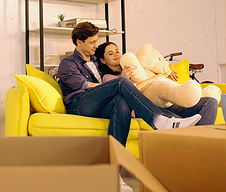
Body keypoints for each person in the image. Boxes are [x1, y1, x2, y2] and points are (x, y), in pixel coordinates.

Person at [57, 22, 205, 148]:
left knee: (121, 101)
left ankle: (116, 166)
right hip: (79, 105)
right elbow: (85, 86)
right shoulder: (68, 63)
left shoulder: (96, 61)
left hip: (98, 104)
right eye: (92, 42)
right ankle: (159, 119)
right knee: (121, 82)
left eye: (96, 41)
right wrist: (116, 83)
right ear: (79, 42)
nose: (96, 45)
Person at [94, 41, 218, 126]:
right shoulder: (108, 78)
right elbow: (133, 93)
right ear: (103, 60)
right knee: (180, 122)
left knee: (209, 102)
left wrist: (165, 71)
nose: (116, 55)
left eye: (117, 51)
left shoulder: (136, 65)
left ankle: (203, 143)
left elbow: (155, 65)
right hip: (148, 107)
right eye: (110, 53)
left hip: (167, 102)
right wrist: (125, 78)